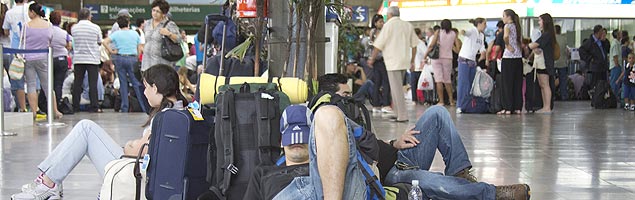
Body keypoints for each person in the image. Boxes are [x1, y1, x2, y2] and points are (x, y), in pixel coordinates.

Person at [270, 73, 530, 200]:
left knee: (438, 112)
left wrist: (394, 142)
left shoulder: (349, 116)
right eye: (345, 94)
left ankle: (460, 173)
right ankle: (490, 193)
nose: (350, 99)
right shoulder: (329, 122)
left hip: (400, 154)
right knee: (427, 180)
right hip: (388, 173)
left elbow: (372, 143)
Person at [10, 64, 187, 199]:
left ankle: (48, 183)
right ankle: (49, 180)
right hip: (152, 175)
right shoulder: (182, 111)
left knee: (85, 129)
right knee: (86, 128)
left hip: (136, 175)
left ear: (156, 88)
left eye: (147, 87)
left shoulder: (163, 118)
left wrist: (129, 145)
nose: (145, 92)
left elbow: (141, 150)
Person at [367, 6, 419, 122]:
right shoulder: (408, 25)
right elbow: (414, 45)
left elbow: (378, 45)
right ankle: (396, 112)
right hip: (404, 61)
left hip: (392, 61)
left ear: (390, 15)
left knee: (397, 89)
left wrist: (372, 59)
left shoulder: (388, 26)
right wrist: (412, 61)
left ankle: (402, 115)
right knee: (396, 88)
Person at [23, 2, 63, 119]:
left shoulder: (27, 25)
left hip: (29, 58)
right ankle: (55, 111)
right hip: (44, 58)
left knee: (31, 85)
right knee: (47, 86)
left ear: (32, 12)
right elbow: (50, 39)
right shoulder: (48, 25)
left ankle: (34, 112)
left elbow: (23, 40)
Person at [103, 16, 148, 113]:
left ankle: (125, 107)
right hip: (132, 58)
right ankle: (143, 106)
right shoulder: (135, 33)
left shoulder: (116, 34)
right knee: (136, 83)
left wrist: (111, 51)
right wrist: (137, 57)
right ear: (128, 23)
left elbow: (105, 41)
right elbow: (140, 48)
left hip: (120, 58)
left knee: (123, 83)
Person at [71, 8, 102, 113]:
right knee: (92, 84)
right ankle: (94, 106)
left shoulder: (74, 28)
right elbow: (99, 41)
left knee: (77, 83)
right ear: (89, 16)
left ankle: (75, 106)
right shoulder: (95, 27)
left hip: (78, 59)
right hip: (92, 59)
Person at [455, 18, 487, 114]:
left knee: (470, 84)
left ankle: (467, 105)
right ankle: (460, 105)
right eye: (484, 24)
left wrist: (483, 55)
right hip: (464, 60)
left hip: (473, 61)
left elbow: (482, 48)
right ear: (479, 24)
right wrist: (463, 32)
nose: (486, 26)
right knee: (463, 83)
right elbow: (466, 33)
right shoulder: (472, 30)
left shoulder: (481, 36)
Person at [423, 19, 457, 106]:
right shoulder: (453, 33)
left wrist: (425, 55)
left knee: (438, 80)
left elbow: (431, 45)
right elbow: (456, 45)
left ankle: (441, 101)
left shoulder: (438, 32)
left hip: (437, 58)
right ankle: (451, 100)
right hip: (448, 58)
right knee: (447, 80)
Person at [141, 0, 181, 72]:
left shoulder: (169, 24)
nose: (155, 13)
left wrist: (169, 34)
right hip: (146, 63)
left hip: (161, 63)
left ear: (164, 14)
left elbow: (179, 39)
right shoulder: (147, 23)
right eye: (153, 10)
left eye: (158, 11)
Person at [2, 0, 28, 112]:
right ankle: (27, 107)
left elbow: (6, 31)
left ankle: (19, 107)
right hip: (25, 50)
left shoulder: (10, 13)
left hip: (10, 50)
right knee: (25, 81)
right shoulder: (28, 11)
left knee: (14, 80)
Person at [528, 13, 556, 114]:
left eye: (540, 20)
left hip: (545, 62)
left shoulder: (547, 34)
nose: (539, 22)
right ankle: (545, 106)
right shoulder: (545, 33)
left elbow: (534, 44)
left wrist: (529, 45)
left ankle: (547, 106)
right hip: (540, 62)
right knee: (542, 85)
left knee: (545, 84)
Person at [366, 14, 392, 113]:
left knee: (378, 82)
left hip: (376, 60)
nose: (382, 23)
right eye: (380, 22)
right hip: (381, 60)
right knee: (385, 82)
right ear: (375, 23)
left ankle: (376, 105)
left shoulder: (373, 32)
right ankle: (385, 104)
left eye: (382, 21)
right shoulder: (378, 32)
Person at [500, 9, 524, 115]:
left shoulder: (507, 26)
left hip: (508, 57)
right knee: (517, 83)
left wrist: (507, 45)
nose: (503, 18)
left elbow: (505, 36)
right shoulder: (517, 26)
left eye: (503, 16)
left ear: (508, 16)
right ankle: (517, 107)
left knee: (507, 83)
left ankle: (507, 107)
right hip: (518, 57)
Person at [49, 10, 72, 103]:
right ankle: (57, 102)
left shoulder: (47, 31)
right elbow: (69, 45)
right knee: (59, 84)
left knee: (49, 82)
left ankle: (48, 103)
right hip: (62, 59)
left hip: (50, 59)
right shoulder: (64, 33)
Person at [410, 28, 427, 104]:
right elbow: (426, 54)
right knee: (421, 85)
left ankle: (414, 100)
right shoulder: (421, 43)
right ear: (419, 34)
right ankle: (422, 99)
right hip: (419, 68)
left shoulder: (410, 43)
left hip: (414, 67)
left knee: (414, 85)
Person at [554, 25, 569, 100]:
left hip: (553, 62)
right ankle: (564, 96)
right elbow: (567, 51)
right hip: (563, 62)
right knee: (563, 80)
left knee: (551, 80)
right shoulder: (564, 39)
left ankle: (552, 95)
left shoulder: (552, 39)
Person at [608, 29, 623, 96]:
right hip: (615, 66)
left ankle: (615, 96)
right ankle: (612, 97)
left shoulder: (618, 43)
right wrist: (617, 65)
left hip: (617, 65)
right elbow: (615, 56)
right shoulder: (615, 44)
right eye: (620, 33)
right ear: (617, 35)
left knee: (617, 82)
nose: (621, 34)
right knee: (615, 82)